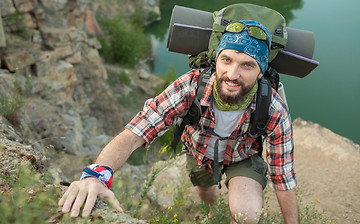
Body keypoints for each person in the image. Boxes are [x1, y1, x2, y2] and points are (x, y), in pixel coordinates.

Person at [59, 20, 299, 224]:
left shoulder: (273, 109)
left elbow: (283, 176)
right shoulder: (191, 86)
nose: (232, 74)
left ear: (260, 72)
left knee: (246, 214)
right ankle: (215, 213)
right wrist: (96, 175)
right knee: (206, 191)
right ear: (216, 60)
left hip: (243, 156)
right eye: (226, 60)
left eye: (247, 65)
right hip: (199, 152)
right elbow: (135, 133)